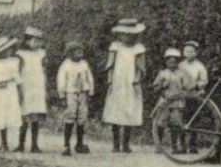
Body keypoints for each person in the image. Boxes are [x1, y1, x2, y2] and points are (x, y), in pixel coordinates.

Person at [103, 19, 148, 153]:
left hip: (131, 82)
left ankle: (126, 143)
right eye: (124, 34)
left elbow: (141, 67)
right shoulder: (115, 46)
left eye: (130, 34)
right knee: (115, 110)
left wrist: (137, 79)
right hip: (118, 82)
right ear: (119, 34)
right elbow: (110, 65)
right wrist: (110, 81)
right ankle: (116, 143)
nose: (127, 37)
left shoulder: (138, 48)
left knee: (130, 110)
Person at [56, 40, 95, 155]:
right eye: (77, 52)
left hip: (83, 93)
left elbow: (89, 78)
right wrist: (62, 96)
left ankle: (79, 144)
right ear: (70, 54)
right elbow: (61, 81)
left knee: (82, 117)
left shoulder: (84, 64)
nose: (80, 53)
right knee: (70, 116)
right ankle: (66, 145)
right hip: (70, 93)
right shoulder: (66, 65)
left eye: (81, 51)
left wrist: (90, 92)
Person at [15, 26, 49, 153]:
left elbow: (44, 70)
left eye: (39, 41)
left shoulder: (42, 53)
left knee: (35, 116)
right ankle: (21, 144)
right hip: (26, 86)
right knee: (24, 116)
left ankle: (34, 145)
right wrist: (18, 88)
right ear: (27, 41)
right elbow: (17, 71)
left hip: (38, 87)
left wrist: (45, 88)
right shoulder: (20, 54)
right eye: (35, 41)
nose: (38, 44)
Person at [152, 48, 188, 153]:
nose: (172, 64)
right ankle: (158, 146)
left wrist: (183, 94)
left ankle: (175, 147)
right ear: (165, 62)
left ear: (178, 62)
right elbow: (155, 88)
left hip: (177, 103)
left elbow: (187, 88)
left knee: (176, 125)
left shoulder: (182, 74)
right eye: (169, 61)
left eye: (175, 61)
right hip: (164, 102)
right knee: (160, 124)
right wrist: (162, 86)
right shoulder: (162, 73)